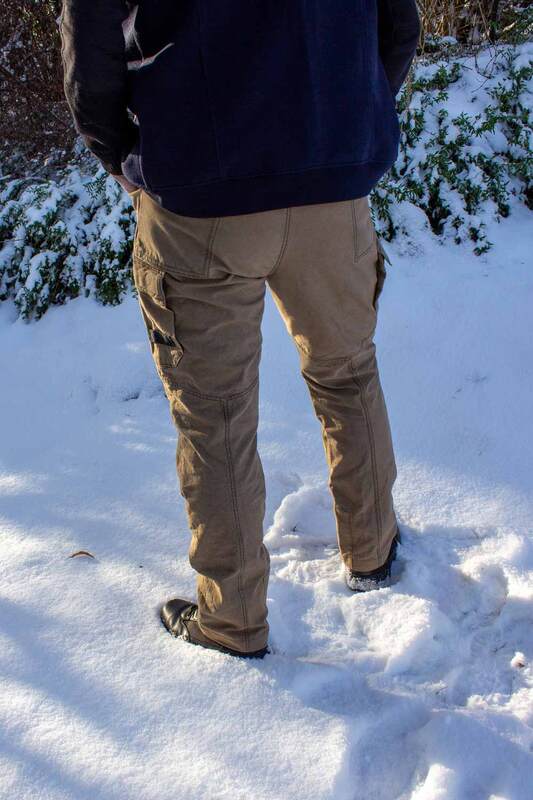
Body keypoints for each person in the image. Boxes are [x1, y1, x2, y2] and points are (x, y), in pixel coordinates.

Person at [60, 0, 420, 659]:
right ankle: (372, 549)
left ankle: (233, 621)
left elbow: (92, 57)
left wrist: (126, 156)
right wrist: (342, 122)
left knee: (215, 414)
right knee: (346, 371)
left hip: (198, 191)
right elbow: (397, 26)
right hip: (327, 183)